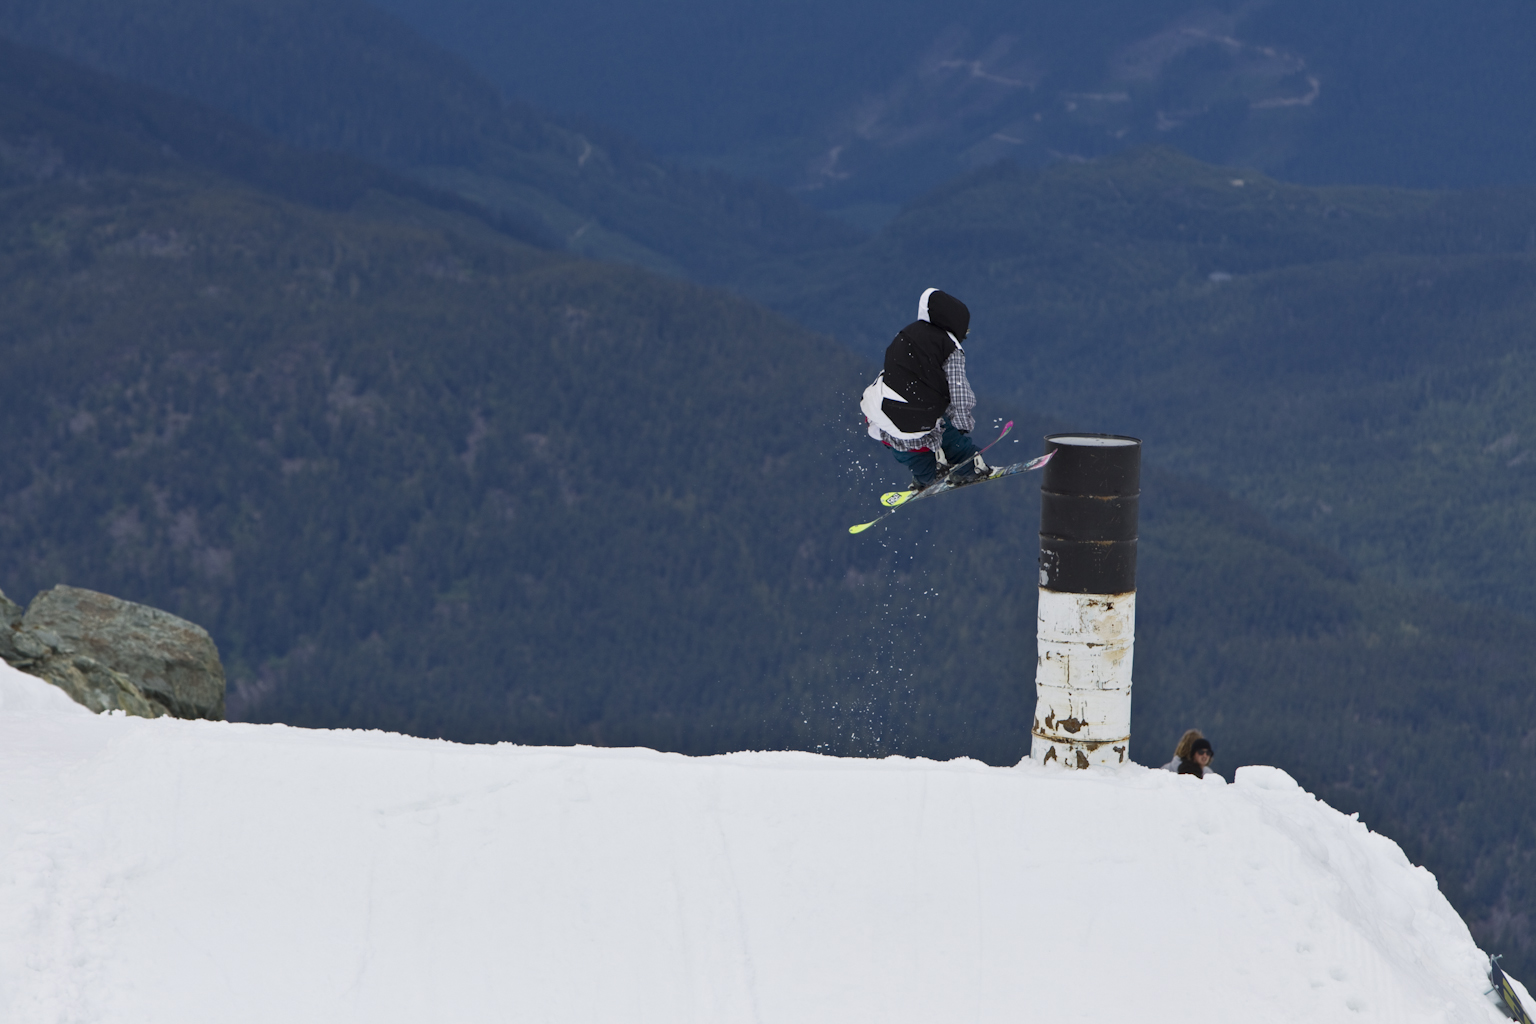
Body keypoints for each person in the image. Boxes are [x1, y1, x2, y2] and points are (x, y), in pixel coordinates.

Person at [860, 288, 989, 490]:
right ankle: (972, 467)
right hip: (919, 415)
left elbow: (892, 370)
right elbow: (959, 390)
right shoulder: (950, 346)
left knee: (900, 438)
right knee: (944, 427)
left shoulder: (904, 334)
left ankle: (927, 474)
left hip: (879, 407)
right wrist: (962, 424)